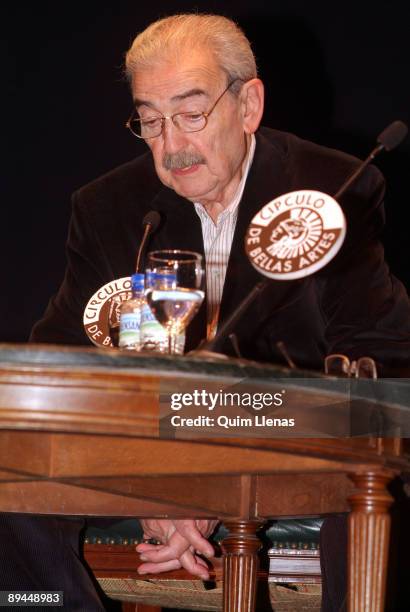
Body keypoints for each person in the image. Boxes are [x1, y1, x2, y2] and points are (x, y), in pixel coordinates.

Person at [3, 13, 409, 612]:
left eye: (192, 114)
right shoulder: (111, 208)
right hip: (149, 454)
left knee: (372, 500)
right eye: (150, 120)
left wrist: (223, 463)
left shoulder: (330, 190)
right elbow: (62, 379)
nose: (171, 145)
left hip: (295, 451)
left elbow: (384, 363)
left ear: (248, 105)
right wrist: (151, 489)